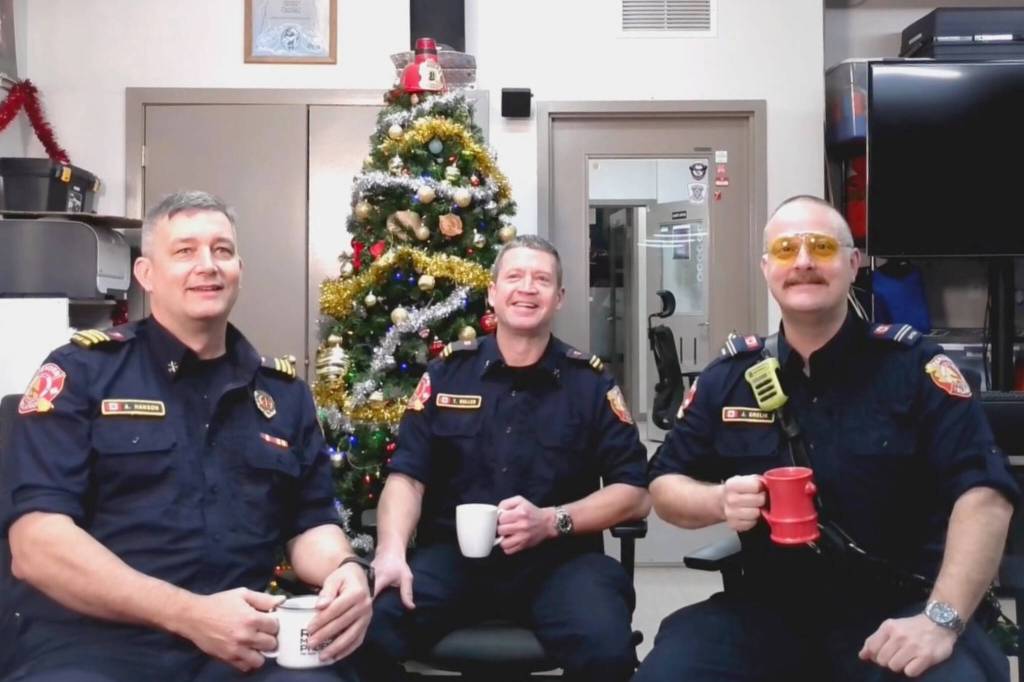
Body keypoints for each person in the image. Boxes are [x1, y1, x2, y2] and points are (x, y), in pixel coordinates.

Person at [636, 195, 1020, 681]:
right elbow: (665, 483)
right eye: (784, 250)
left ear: (853, 262)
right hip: (766, 611)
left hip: (901, 608)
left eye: (820, 246)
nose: (802, 262)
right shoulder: (730, 376)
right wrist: (718, 501)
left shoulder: (915, 367)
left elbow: (986, 497)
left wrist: (939, 620)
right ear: (765, 267)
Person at [1, 191, 371, 682]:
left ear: (239, 268)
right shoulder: (81, 372)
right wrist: (190, 614)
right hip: (91, 643)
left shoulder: (283, 396)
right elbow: (36, 546)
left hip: (236, 648)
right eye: (184, 251)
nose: (208, 265)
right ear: (146, 275)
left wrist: (346, 569)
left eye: (221, 250)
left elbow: (310, 524)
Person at [356, 235, 650, 682]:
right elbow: (407, 477)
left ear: (559, 298)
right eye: (514, 276)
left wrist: (552, 521)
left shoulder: (589, 383)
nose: (527, 288)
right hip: (453, 560)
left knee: (607, 649)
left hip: (562, 563)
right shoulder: (446, 373)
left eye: (542, 279)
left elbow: (635, 492)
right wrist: (392, 550)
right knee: (363, 631)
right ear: (493, 292)